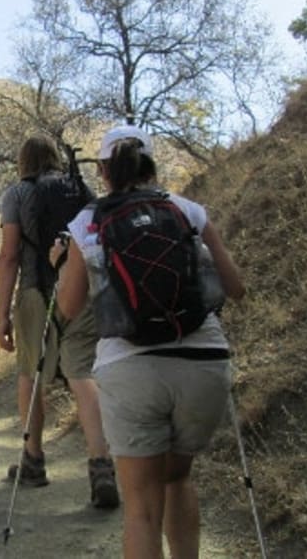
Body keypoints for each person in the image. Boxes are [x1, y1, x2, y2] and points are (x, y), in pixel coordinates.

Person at [56, 125, 246, 558]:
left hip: (131, 368)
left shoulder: (87, 223)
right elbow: (235, 288)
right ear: (152, 164)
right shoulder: (190, 212)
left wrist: (62, 263)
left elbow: (68, 308)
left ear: (104, 170)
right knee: (178, 478)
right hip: (204, 362)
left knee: (141, 508)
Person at [0, 133, 119, 509]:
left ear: (23, 162)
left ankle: (33, 460)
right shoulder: (80, 190)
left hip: (36, 291)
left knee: (30, 375)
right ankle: (101, 466)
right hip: (80, 288)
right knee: (82, 374)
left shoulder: (17, 194)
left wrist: (2, 314)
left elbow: (9, 255)